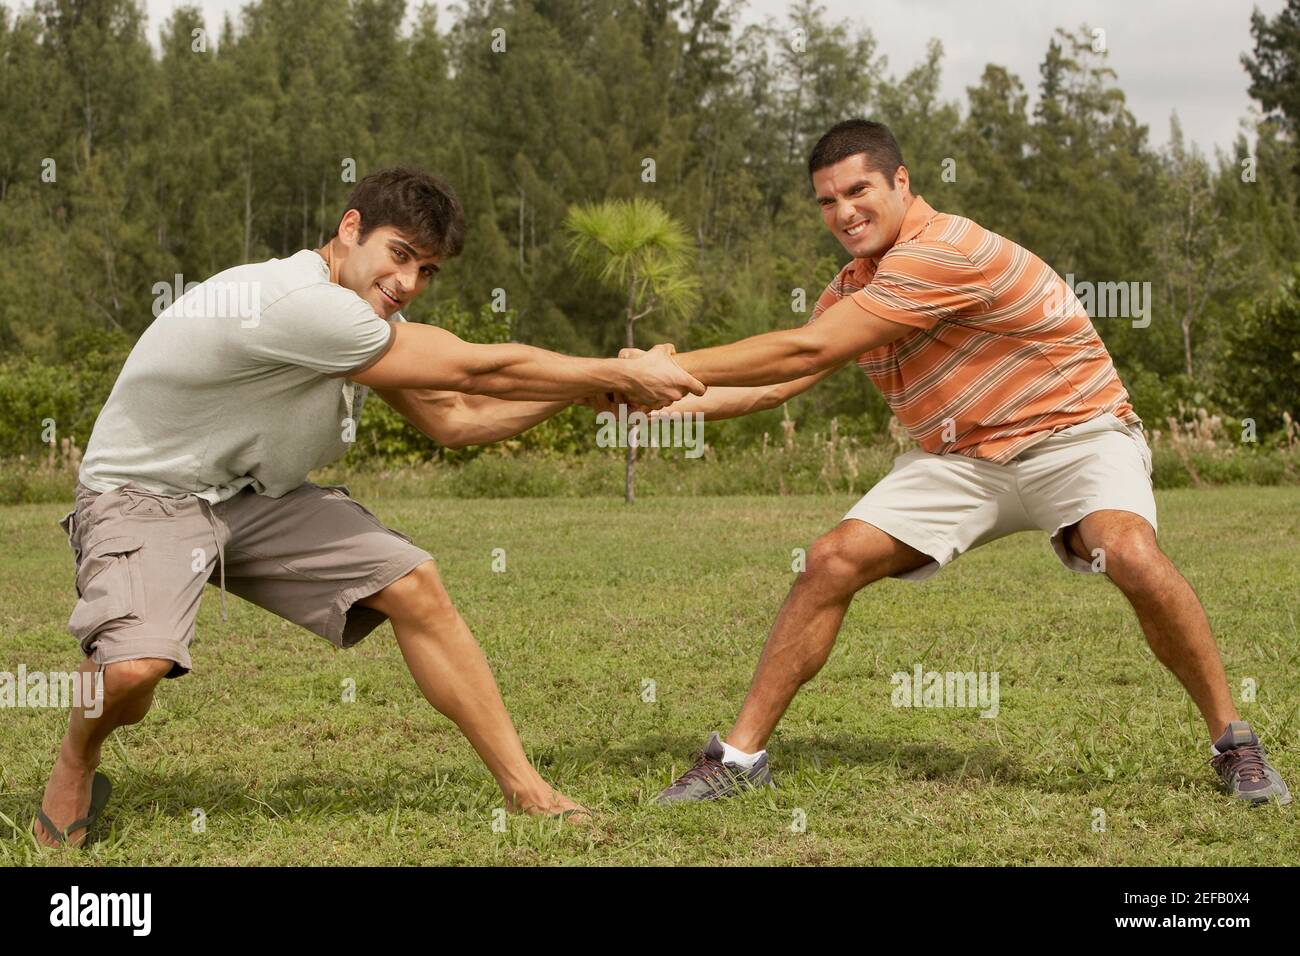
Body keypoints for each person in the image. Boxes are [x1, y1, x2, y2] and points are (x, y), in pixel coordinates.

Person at [35, 166, 704, 847]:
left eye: (428, 270)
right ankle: (76, 761)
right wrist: (613, 372)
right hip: (144, 495)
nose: (410, 282)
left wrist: (584, 392)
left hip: (252, 496)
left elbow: (456, 418)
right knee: (131, 675)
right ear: (349, 230)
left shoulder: (362, 317)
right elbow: (473, 369)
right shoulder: (293, 300)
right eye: (401, 255)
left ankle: (526, 790)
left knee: (415, 585)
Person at [646, 120, 1290, 807]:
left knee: (1127, 550)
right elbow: (776, 385)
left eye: (858, 190)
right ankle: (739, 759)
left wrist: (671, 365)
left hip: (1073, 435)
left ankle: (1235, 744)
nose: (843, 213)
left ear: (902, 182)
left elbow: (801, 353)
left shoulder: (945, 250)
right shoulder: (850, 288)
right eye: (827, 202)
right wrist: (655, 405)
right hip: (960, 458)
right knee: (830, 559)